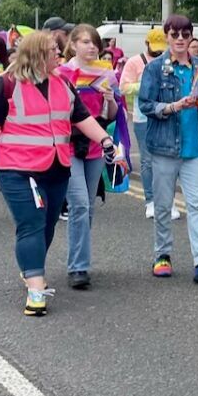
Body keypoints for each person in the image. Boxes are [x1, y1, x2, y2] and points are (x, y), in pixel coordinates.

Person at [0, 31, 119, 316]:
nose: (59, 55)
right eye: (54, 50)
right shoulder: (5, 85)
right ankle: (36, 290)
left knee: (47, 226)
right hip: (16, 169)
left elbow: (82, 118)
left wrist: (105, 140)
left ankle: (30, 266)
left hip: (56, 167)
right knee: (32, 224)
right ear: (38, 54)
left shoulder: (62, 82)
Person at [138, 14, 198, 283]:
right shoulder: (155, 68)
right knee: (163, 206)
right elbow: (145, 104)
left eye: (185, 34)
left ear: (191, 37)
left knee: (196, 205)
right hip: (164, 148)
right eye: (174, 34)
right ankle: (162, 255)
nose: (179, 39)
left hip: (195, 148)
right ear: (166, 36)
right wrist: (174, 106)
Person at [59, 24, 119, 289]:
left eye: (95, 42)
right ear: (72, 45)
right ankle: (78, 267)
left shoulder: (106, 73)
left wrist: (109, 99)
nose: (92, 47)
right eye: (85, 42)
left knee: (88, 207)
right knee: (80, 204)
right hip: (68, 144)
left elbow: (111, 115)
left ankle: (79, 257)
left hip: (96, 144)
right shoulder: (61, 73)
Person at [120, 27, 167, 220]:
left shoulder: (168, 60)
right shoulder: (134, 62)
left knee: (165, 161)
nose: (159, 52)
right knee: (147, 160)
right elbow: (123, 87)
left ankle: (166, 201)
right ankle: (150, 201)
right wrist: (145, 84)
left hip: (165, 115)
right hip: (143, 118)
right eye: (155, 48)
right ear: (147, 44)